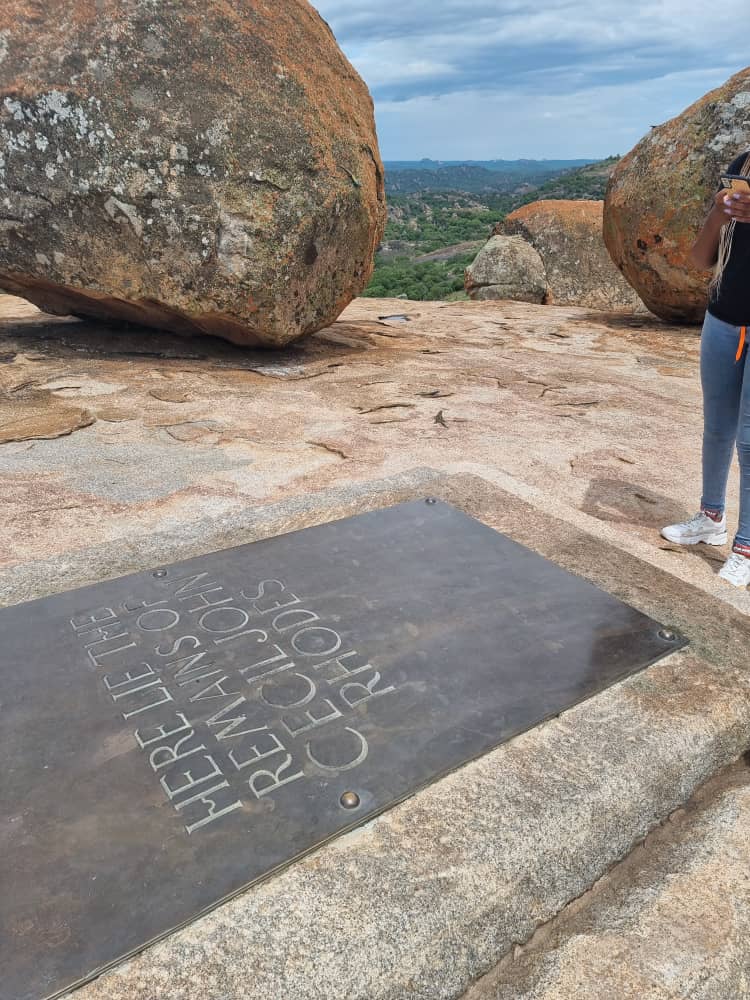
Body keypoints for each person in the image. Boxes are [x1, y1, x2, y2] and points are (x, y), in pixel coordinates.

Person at [661, 149, 750, 586]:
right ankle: (711, 517)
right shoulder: (743, 166)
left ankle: (747, 546)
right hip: (723, 320)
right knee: (717, 427)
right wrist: (718, 213)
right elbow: (701, 260)